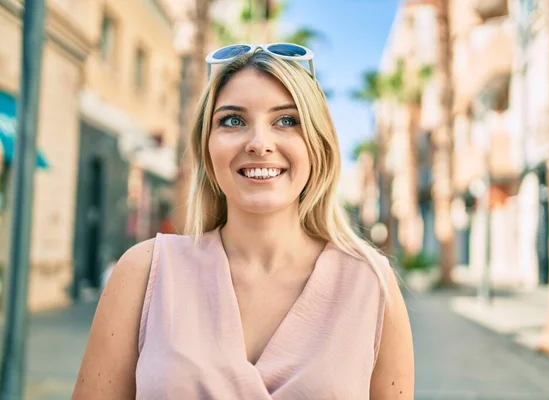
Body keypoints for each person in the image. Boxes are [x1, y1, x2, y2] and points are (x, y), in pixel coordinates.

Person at [73, 43, 414, 399]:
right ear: (206, 147)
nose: (259, 143)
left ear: (318, 144)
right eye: (233, 120)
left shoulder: (371, 283)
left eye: (286, 120)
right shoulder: (144, 273)